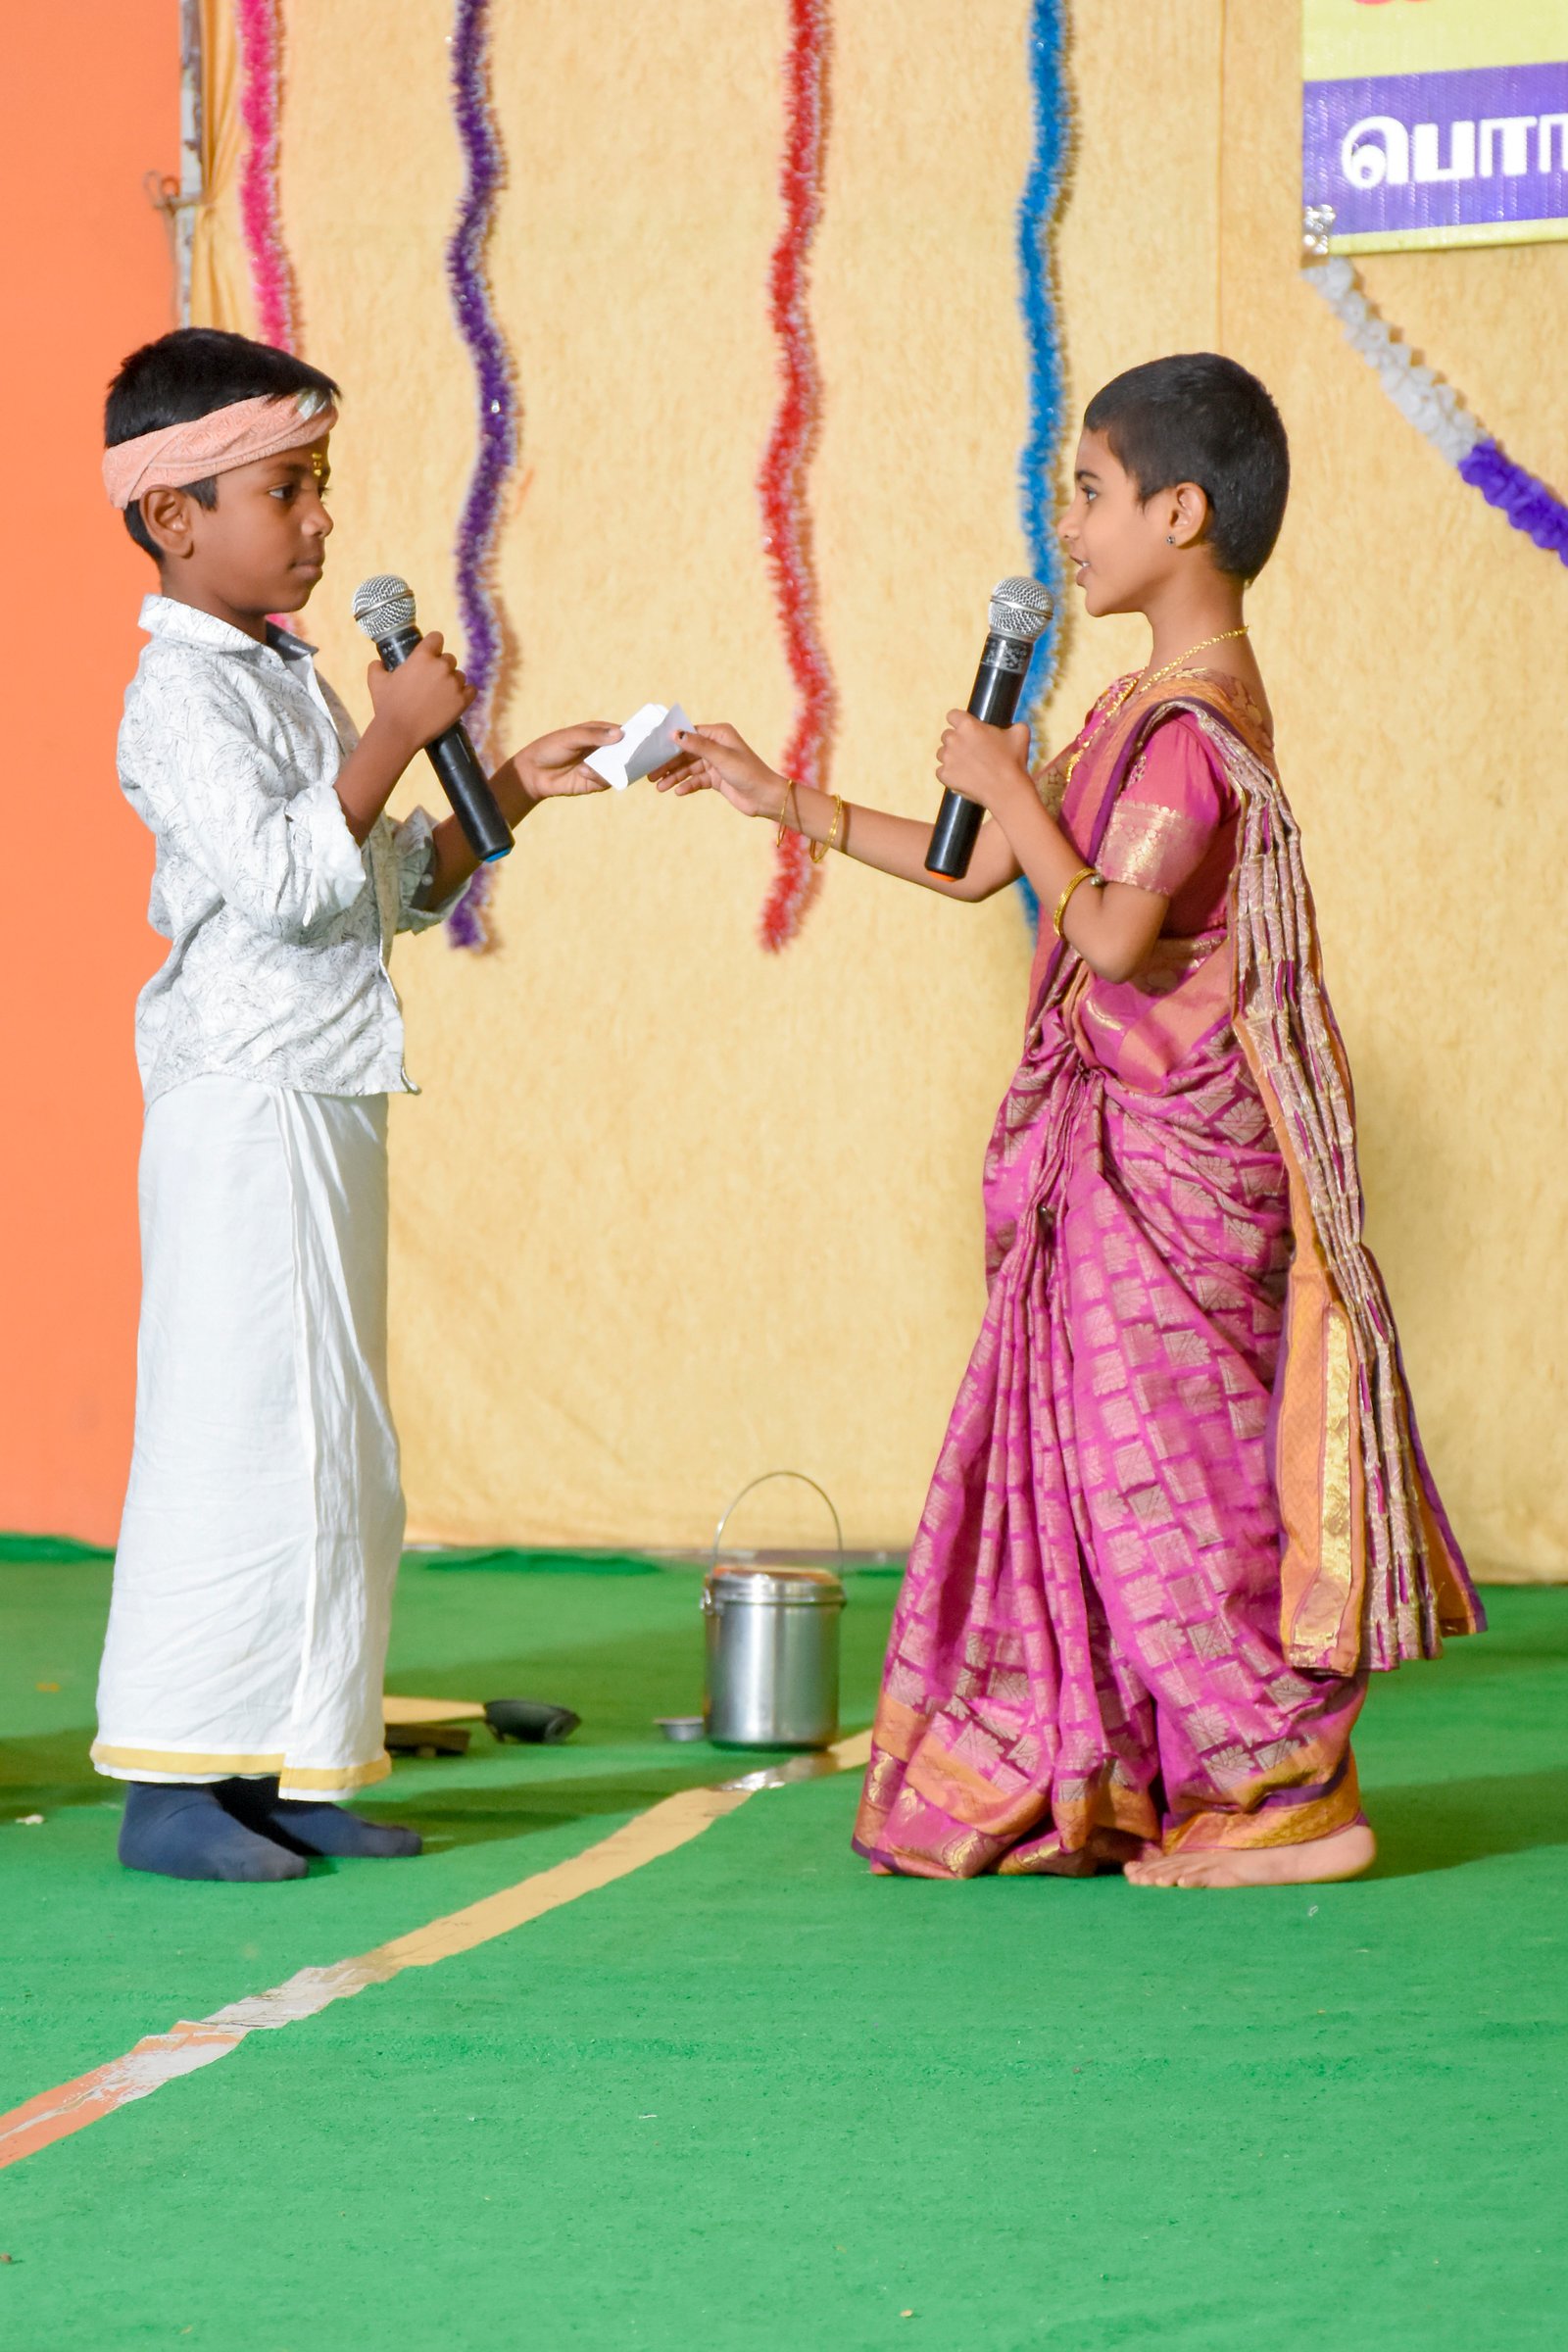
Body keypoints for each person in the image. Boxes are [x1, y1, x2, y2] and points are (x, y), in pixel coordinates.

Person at [664, 352, 1482, 1888]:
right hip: (1117, 1157)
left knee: (1180, 1482)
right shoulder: (1131, 711)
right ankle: (1172, 1780)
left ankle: (1294, 1799)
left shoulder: (1191, 730)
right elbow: (986, 867)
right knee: (1126, 1477)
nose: (1071, 526)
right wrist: (786, 803)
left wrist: (1008, 782)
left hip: (1174, 1165)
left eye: (1091, 493)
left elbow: (1104, 931)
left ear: (1182, 513)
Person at [94, 326, 625, 1882]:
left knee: (334, 1445)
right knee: (233, 1438)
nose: (322, 520)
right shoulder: (173, 699)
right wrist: (396, 732)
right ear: (174, 514)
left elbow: (376, 887)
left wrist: (505, 785)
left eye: (321, 484)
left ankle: (295, 1758)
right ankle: (173, 1786)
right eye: (287, 489)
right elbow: (279, 884)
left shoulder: (286, 678)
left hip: (322, 1086)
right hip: (244, 1099)